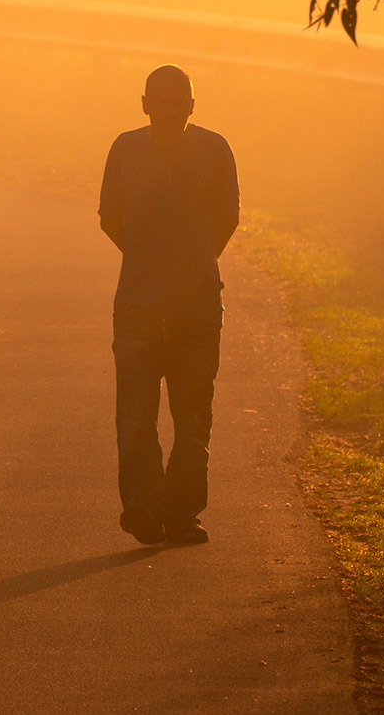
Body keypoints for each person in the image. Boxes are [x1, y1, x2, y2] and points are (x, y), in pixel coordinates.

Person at [98, 64, 239, 547]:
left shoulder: (215, 150)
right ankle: (144, 507)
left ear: (193, 107)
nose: (171, 111)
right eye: (162, 102)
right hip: (138, 306)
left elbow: (229, 217)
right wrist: (149, 260)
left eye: (180, 102)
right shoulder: (125, 149)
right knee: (135, 417)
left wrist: (193, 263)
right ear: (144, 104)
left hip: (197, 309)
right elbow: (110, 218)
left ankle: (181, 514)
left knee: (192, 419)